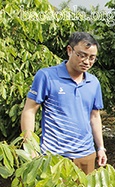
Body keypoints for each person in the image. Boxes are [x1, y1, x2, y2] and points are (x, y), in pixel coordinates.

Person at [21, 32, 107, 175]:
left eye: (92, 58)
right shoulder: (47, 76)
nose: (87, 61)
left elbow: (95, 116)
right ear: (69, 50)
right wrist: (30, 148)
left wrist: (101, 148)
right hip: (54, 157)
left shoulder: (93, 82)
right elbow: (29, 111)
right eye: (82, 55)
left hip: (86, 154)